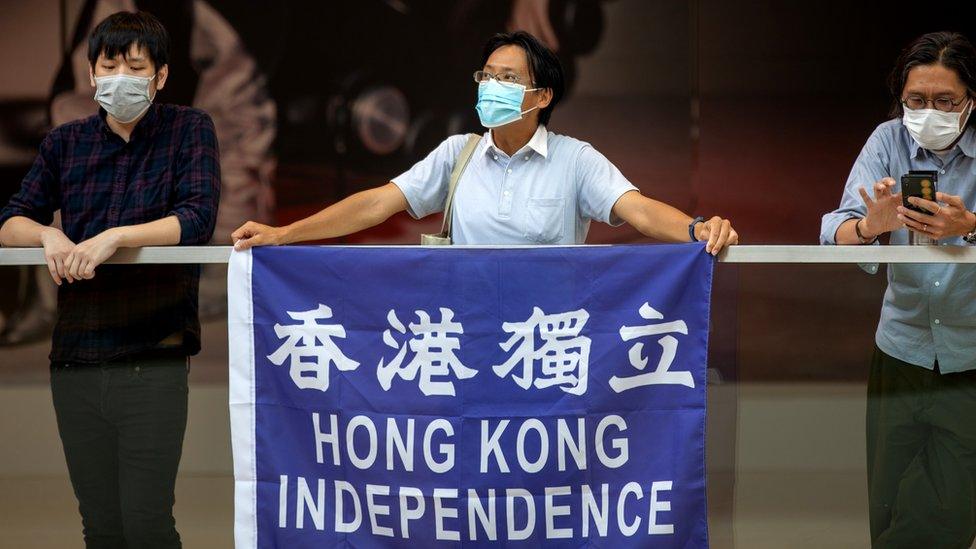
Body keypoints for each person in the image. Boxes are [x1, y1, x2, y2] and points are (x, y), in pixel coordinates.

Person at [0, 11, 219, 548]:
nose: (121, 76)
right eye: (109, 64)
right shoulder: (64, 143)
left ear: (160, 76)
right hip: (75, 358)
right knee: (100, 528)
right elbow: (10, 221)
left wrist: (118, 235)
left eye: (136, 65)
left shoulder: (190, 130)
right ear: (93, 74)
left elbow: (196, 218)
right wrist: (49, 236)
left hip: (153, 355)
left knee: (147, 524)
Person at [232, 31, 738, 254]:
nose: (491, 87)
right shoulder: (458, 154)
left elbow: (642, 212)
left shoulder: (575, 160)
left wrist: (699, 230)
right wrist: (283, 234)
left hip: (543, 345)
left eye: (508, 79)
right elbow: (375, 204)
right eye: (486, 75)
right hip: (466, 345)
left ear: (541, 96)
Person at [821, 31, 976, 548]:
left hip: (970, 355)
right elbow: (834, 231)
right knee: (887, 507)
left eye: (944, 102)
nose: (927, 111)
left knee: (948, 510)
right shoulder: (887, 141)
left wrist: (969, 226)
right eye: (916, 100)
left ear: (970, 101)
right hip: (900, 352)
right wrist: (870, 226)